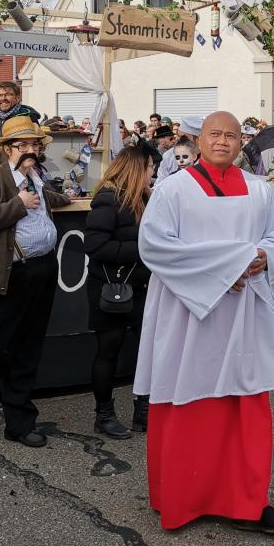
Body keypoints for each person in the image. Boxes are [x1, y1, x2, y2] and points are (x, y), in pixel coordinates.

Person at [136, 111, 274, 534]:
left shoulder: (259, 191)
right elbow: (154, 247)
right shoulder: (173, 190)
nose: (223, 141)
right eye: (214, 134)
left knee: (244, 403)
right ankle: (182, 497)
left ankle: (248, 501)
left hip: (244, 314)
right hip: (189, 315)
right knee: (187, 401)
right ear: (199, 138)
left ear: (241, 142)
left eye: (231, 135)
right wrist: (230, 268)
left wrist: (262, 258)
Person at [0, 116, 71, 447]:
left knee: (27, 348)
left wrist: (65, 198)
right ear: (7, 150)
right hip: (4, 277)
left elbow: (49, 198)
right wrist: (19, 205)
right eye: (23, 145)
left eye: (35, 144)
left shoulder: (38, 176)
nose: (30, 150)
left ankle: (19, 423)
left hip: (41, 272)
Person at [83, 144, 157, 439]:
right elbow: (94, 246)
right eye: (150, 167)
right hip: (110, 287)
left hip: (140, 286)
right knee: (108, 351)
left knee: (146, 349)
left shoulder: (144, 197)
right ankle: (103, 414)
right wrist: (142, 250)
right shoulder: (108, 198)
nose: (153, 172)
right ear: (137, 169)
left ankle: (144, 408)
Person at [155, 116, 201, 183]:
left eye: (183, 137)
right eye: (177, 135)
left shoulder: (210, 158)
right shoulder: (169, 155)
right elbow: (159, 183)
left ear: (197, 139)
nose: (176, 139)